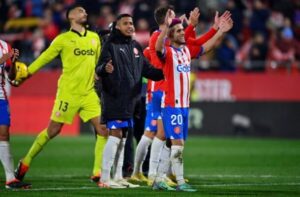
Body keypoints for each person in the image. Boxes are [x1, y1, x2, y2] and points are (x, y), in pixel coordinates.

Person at [131, 5, 228, 186]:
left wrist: (217, 30)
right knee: (157, 134)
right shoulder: (159, 41)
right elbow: (161, 48)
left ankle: (161, 176)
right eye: (173, 17)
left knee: (167, 138)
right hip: (162, 94)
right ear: (166, 21)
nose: (178, 20)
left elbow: (199, 45)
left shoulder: (183, 49)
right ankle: (151, 174)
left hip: (180, 101)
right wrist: (180, 27)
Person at [14, 4, 108, 183]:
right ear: (71, 16)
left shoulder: (95, 38)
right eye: (81, 10)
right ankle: (25, 162)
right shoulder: (62, 39)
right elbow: (44, 57)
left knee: (103, 130)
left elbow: (97, 64)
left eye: (85, 10)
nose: (85, 12)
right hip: (68, 93)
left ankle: (97, 173)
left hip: (88, 93)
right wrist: (26, 74)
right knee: (53, 130)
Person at [96, 14, 164, 188]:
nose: (130, 26)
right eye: (125, 23)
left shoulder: (135, 46)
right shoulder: (110, 45)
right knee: (116, 135)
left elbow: (147, 69)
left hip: (130, 100)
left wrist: (166, 72)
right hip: (114, 97)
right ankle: (105, 178)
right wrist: (105, 68)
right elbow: (99, 67)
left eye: (131, 23)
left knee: (124, 138)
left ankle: (118, 177)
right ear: (117, 27)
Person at [0, 39, 31, 189]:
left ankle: (10, 179)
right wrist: (3, 59)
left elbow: (11, 77)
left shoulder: (5, 46)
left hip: (0, 97)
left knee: (4, 134)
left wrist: (13, 62)